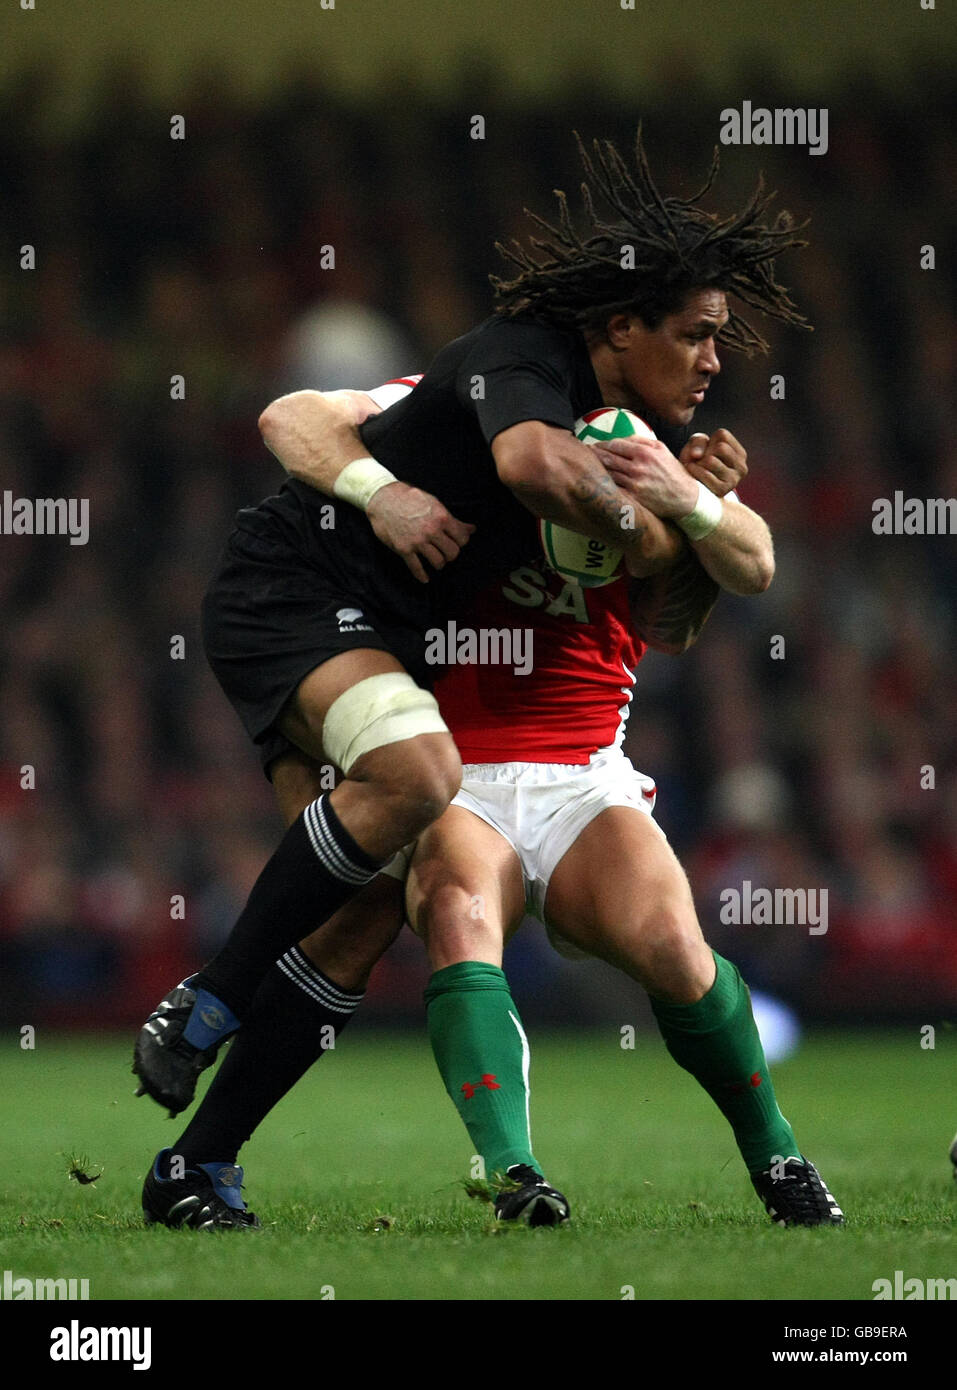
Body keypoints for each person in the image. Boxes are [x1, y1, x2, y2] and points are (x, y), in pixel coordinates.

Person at [132, 131, 815, 1203]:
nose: (714, 361)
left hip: (563, 762)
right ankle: (255, 1061)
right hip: (393, 695)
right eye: (695, 336)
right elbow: (299, 415)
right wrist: (391, 494)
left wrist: (688, 505)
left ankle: (195, 1159)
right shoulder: (495, 392)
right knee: (397, 877)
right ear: (623, 331)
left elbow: (688, 612)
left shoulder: (663, 463)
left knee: (359, 924)